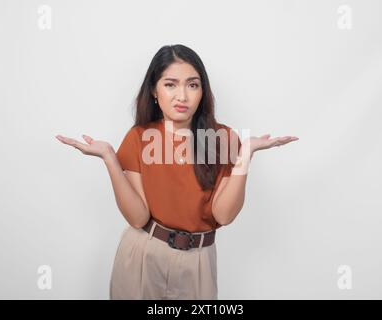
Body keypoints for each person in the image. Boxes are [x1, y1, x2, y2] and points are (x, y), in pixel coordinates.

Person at [55, 44, 298, 299]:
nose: (182, 96)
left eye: (192, 85)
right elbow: (138, 218)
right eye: (170, 84)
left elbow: (224, 215)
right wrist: (109, 159)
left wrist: (245, 154)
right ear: (154, 91)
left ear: (203, 91)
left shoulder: (223, 138)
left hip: (199, 262)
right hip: (144, 254)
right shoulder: (139, 137)